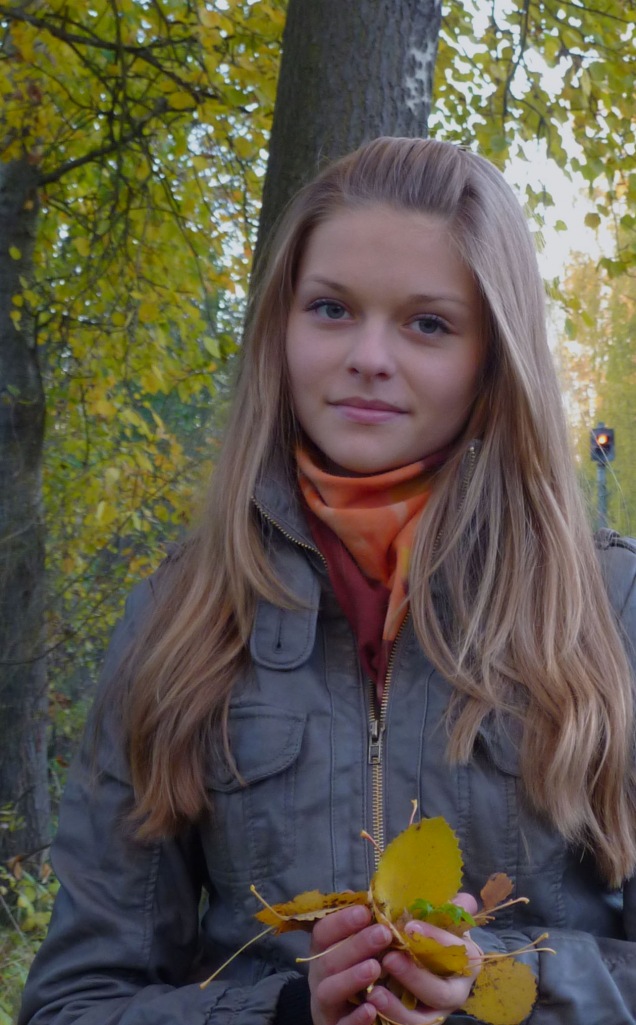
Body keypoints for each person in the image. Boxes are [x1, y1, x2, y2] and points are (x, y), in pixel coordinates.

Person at [19, 137, 636, 1025]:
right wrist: (282, 1012)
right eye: (332, 309)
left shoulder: (608, 607)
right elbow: (72, 1004)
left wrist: (500, 978)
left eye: (429, 323)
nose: (369, 355)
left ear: (494, 355)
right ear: (282, 326)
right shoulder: (181, 617)